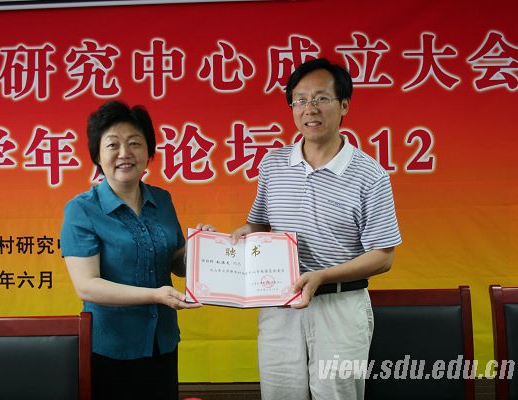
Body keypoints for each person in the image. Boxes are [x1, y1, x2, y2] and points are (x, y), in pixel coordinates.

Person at [229, 58, 402, 399]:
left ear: (344, 105)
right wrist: (239, 235)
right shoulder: (273, 164)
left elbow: (383, 256)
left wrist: (322, 276)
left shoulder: (370, 175)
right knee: (280, 394)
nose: (310, 108)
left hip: (340, 305)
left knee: (337, 394)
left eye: (321, 98)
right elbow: (260, 222)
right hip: (280, 304)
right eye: (300, 100)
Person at [60, 100, 200, 400]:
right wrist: (155, 295)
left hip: (161, 341)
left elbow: (176, 263)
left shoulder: (162, 200)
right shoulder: (81, 210)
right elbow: (87, 286)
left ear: (149, 152)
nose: (125, 153)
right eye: (113, 145)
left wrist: (200, 249)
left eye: (135, 143)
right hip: (110, 348)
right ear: (97, 155)